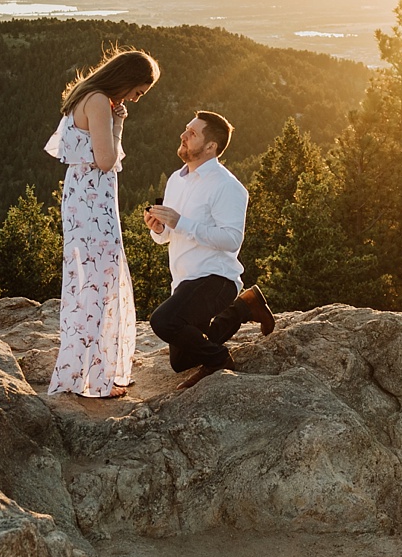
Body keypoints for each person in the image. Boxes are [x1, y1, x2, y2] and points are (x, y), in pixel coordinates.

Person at [44, 48, 160, 398]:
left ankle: (91, 370)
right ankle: (95, 378)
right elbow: (106, 160)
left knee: (91, 279)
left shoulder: (87, 95)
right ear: (125, 79)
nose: (135, 99)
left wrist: (117, 120)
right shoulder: (96, 101)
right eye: (137, 91)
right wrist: (117, 125)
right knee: (98, 279)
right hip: (92, 201)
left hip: (84, 198)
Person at [143, 110, 274, 389]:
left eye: (192, 133)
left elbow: (231, 240)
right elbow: (167, 236)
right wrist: (158, 228)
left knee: (163, 321)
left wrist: (182, 222)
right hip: (185, 282)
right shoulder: (175, 181)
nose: (183, 135)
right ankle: (245, 306)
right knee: (181, 362)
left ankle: (219, 361)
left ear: (211, 146)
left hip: (216, 279)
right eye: (185, 130)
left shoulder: (227, 186)